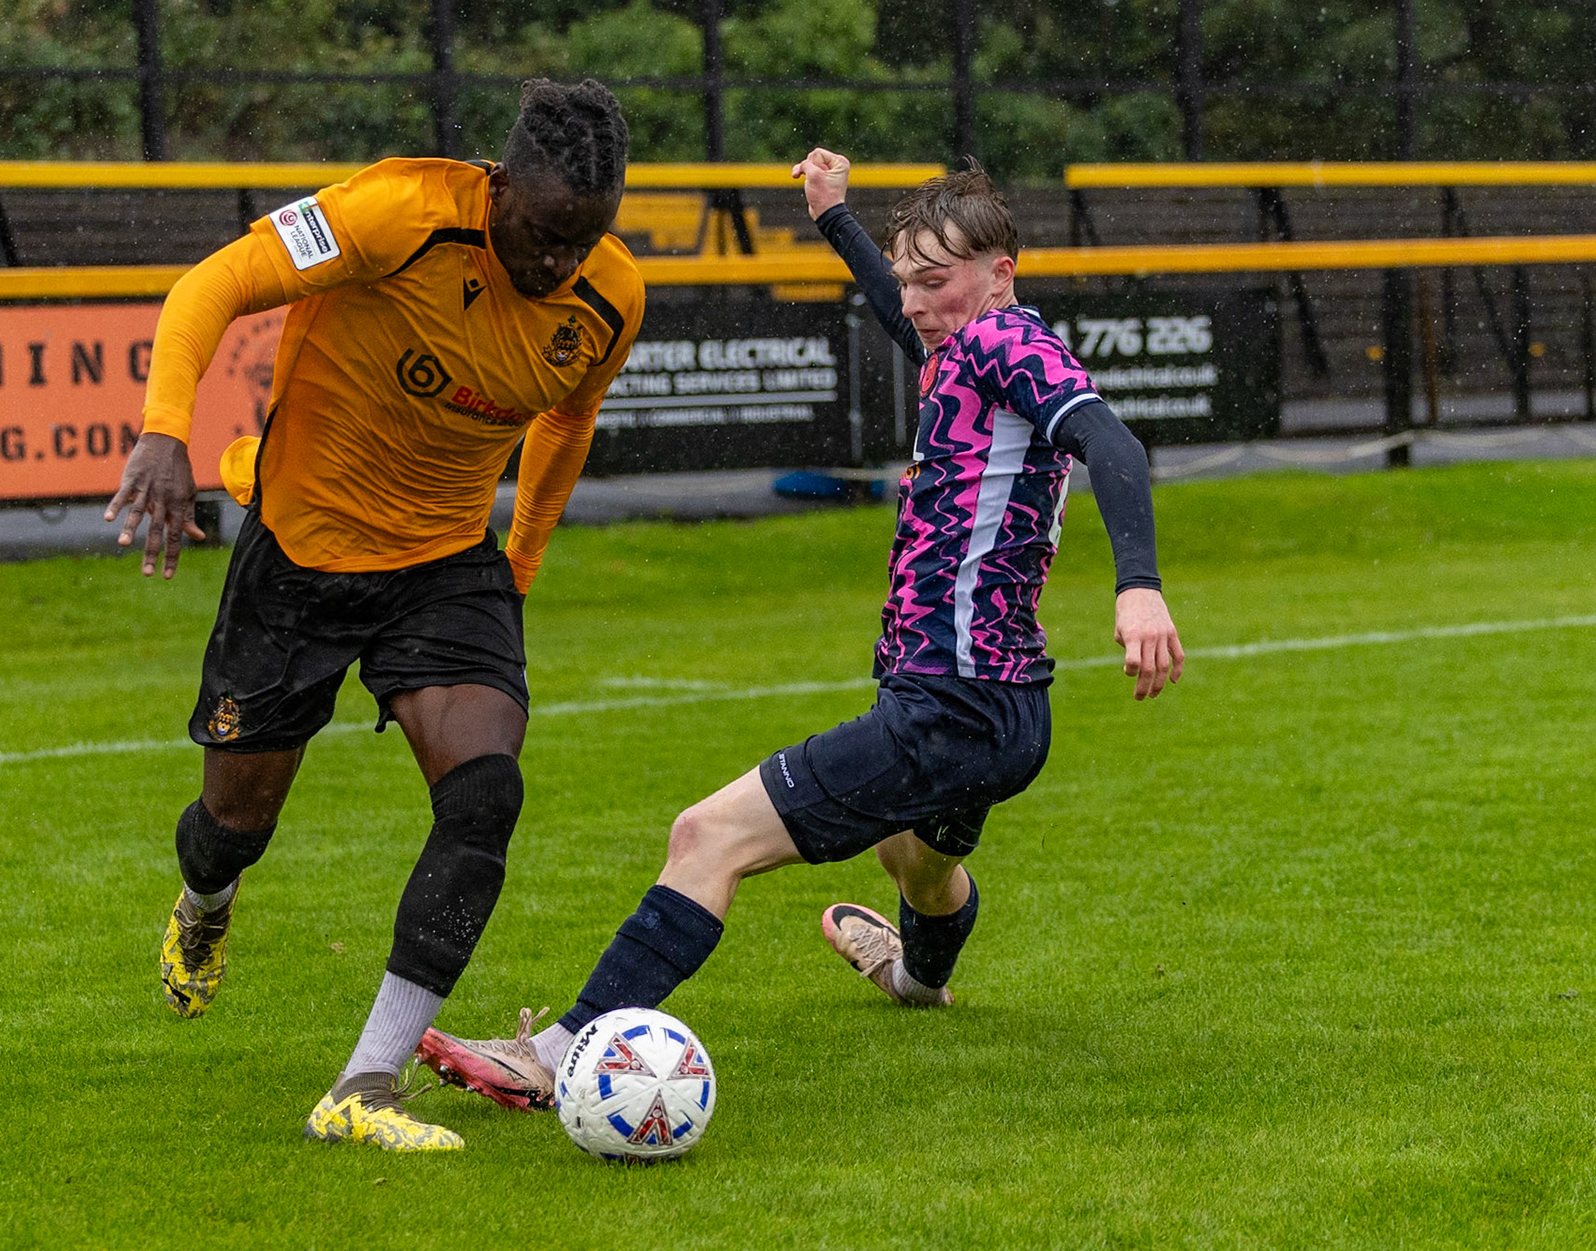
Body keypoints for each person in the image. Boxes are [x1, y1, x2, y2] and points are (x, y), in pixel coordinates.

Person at [417, 149, 1183, 1114]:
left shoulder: (1008, 347)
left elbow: (1110, 439)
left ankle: (558, 1050)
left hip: (951, 700)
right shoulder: (963, 351)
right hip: (1003, 710)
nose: (913, 302)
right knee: (915, 859)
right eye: (907, 280)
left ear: (1002, 274)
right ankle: (915, 978)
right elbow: (894, 305)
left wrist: (1140, 587)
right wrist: (836, 221)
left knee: (705, 835)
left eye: (934, 282)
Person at [103, 79, 644, 1152]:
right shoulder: (393, 213)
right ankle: (205, 904)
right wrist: (165, 429)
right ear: (500, 187)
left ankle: (366, 1081)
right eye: (541, 236)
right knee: (231, 827)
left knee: (486, 793)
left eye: (583, 241)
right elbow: (212, 286)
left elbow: (567, 426)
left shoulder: (608, 302)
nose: (557, 265)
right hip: (298, 555)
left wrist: (522, 559)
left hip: (446, 564)